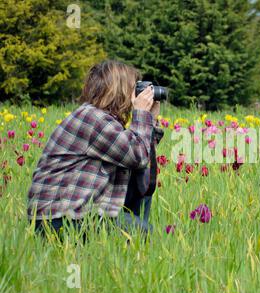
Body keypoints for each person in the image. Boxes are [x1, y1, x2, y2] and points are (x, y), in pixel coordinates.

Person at [27, 60, 163, 237]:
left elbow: (138, 157)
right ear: (118, 90)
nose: (135, 95)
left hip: (73, 213)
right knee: (144, 233)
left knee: (141, 177)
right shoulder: (92, 118)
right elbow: (137, 155)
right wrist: (141, 114)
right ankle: (134, 235)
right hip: (56, 220)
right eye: (133, 88)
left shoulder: (101, 119)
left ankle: (133, 231)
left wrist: (149, 118)